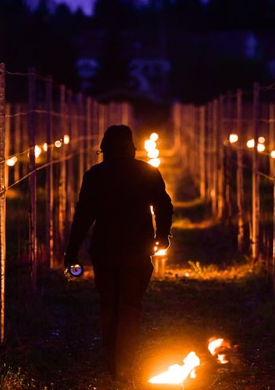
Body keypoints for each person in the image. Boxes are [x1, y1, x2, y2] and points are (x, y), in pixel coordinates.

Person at [64, 124, 174, 384]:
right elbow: (164, 206)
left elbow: (83, 216)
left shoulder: (95, 176)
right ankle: (125, 362)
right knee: (131, 305)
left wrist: (72, 252)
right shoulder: (147, 173)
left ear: (104, 150)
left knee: (109, 304)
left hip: (105, 250)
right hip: (138, 249)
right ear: (132, 149)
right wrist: (161, 237)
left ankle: (112, 357)